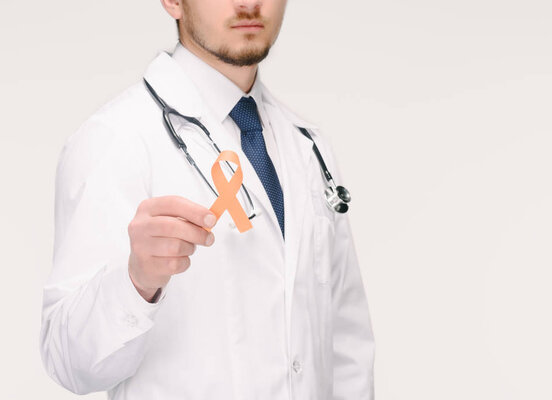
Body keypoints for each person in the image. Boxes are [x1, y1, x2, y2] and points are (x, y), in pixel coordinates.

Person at [39, 0, 375, 398]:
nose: (249, 3)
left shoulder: (307, 145)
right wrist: (136, 283)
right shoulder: (117, 139)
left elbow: (347, 347)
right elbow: (68, 363)